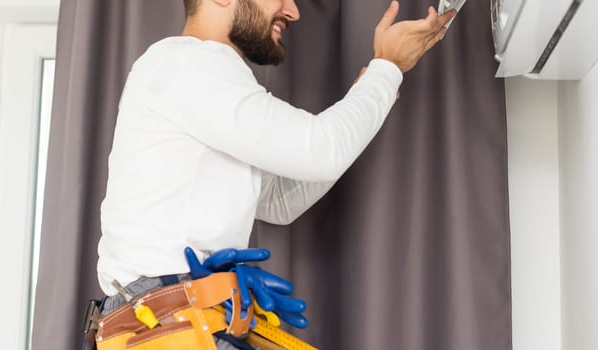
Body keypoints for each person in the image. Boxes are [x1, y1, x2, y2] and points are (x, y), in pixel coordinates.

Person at [90, 0, 456, 349]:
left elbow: (280, 200)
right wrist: (386, 68)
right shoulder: (190, 64)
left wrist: (372, 93)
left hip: (171, 320)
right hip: (167, 324)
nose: (293, 11)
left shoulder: (188, 75)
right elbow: (321, 151)